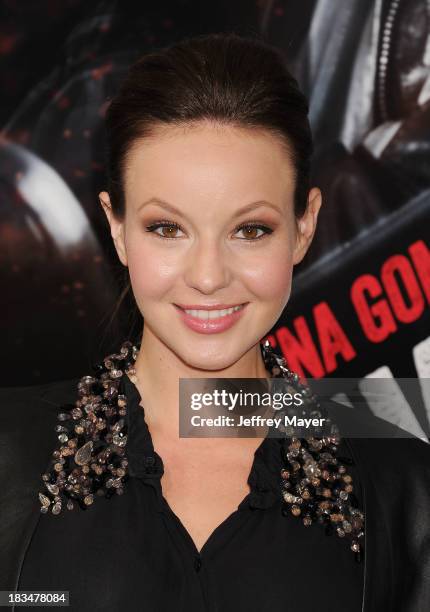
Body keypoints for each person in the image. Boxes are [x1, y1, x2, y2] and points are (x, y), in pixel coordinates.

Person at [1, 32, 429, 612]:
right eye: (167, 228)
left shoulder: (398, 478)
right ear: (117, 228)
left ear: (304, 226)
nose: (207, 276)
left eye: (250, 230)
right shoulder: (10, 448)